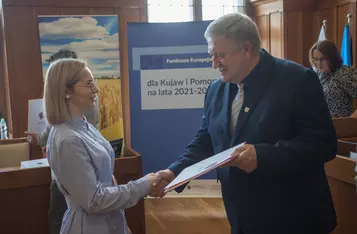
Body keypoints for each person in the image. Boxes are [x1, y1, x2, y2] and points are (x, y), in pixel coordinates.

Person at [151, 12, 338, 234]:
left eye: (219, 55)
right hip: (242, 217)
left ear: (246, 49)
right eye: (211, 55)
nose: (214, 64)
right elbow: (206, 141)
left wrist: (262, 156)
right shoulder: (216, 89)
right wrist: (174, 173)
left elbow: (323, 145)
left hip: (294, 218)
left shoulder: (298, 80)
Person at [44, 58, 155, 234]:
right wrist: (144, 185)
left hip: (108, 222)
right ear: (66, 90)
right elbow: (94, 201)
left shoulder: (84, 125)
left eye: (94, 82)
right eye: (88, 84)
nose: (96, 89)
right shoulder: (67, 140)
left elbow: (105, 179)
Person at [25, 49, 99, 234]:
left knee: (57, 219)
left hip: (64, 182)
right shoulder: (88, 104)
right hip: (89, 174)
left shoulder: (66, 127)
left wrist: (36, 138)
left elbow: (45, 137)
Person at [309, 40, 357, 117]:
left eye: (323, 59)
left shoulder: (346, 73)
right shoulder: (319, 74)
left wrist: (351, 120)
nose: (318, 63)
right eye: (315, 59)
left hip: (340, 125)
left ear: (332, 57)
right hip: (320, 124)